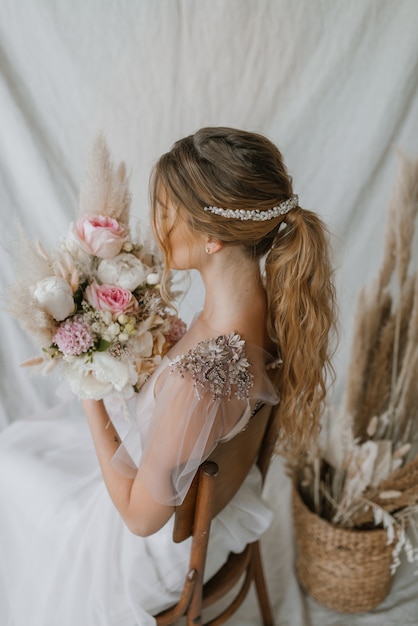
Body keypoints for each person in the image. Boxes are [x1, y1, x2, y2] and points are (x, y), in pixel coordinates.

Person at [0, 127, 336, 625]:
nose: (156, 225)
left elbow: (138, 519)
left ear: (213, 237)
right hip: (207, 503)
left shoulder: (201, 383)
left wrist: (86, 386)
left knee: (12, 464)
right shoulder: (268, 311)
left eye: (165, 209)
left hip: (156, 551)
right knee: (26, 443)